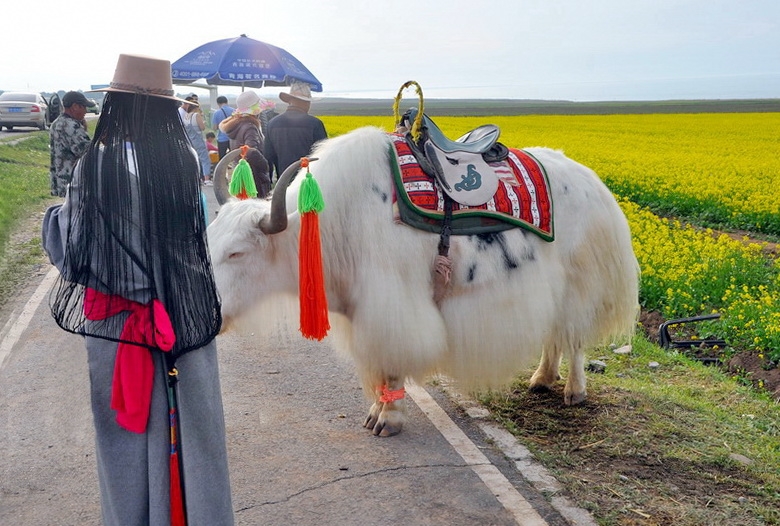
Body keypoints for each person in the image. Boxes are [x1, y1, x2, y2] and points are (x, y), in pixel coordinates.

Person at [41, 53, 234, 526]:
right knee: (196, 433)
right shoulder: (186, 161)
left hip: (118, 323)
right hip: (183, 318)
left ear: (116, 106)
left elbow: (74, 251)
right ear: (166, 108)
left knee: (124, 440)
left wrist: (53, 220)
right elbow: (196, 238)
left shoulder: (94, 166)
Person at [264, 81, 327, 182]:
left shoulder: (272, 123)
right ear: (306, 103)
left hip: (283, 183)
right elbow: (323, 156)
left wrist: (269, 183)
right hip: (310, 183)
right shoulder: (315, 124)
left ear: (289, 101)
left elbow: (268, 156)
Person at [218, 90, 271, 197]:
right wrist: (265, 165)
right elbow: (250, 151)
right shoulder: (250, 127)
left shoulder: (237, 125)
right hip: (254, 177)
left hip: (241, 174)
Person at [49, 91, 96, 197]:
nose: (85, 111)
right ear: (75, 106)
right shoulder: (71, 125)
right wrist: (101, 140)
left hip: (61, 180)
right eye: (83, 107)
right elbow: (87, 152)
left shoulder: (57, 123)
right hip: (74, 182)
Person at [181, 97, 213, 185]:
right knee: (205, 159)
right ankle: (206, 179)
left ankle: (197, 178)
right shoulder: (196, 115)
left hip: (190, 140)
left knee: (195, 159)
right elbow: (202, 128)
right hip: (198, 140)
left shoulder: (186, 116)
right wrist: (203, 123)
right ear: (196, 107)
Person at [210, 95, 234, 159]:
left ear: (218, 103)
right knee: (235, 156)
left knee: (222, 158)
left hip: (222, 138)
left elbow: (214, 128)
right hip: (233, 138)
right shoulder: (234, 111)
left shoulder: (216, 113)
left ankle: (224, 168)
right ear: (227, 102)